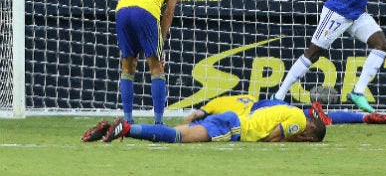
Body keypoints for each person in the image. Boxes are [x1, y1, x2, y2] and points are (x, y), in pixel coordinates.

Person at [115, 0, 183, 125]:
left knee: (128, 65)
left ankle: (128, 121)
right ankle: (159, 123)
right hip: (145, 11)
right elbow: (169, 11)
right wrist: (162, 40)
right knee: (156, 65)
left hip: (122, 10)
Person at [82, 103, 326, 143]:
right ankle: (124, 128)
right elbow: (272, 138)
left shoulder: (287, 109)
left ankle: (121, 128)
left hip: (231, 119)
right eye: (308, 137)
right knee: (178, 138)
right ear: (311, 128)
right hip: (232, 128)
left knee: (170, 133)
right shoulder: (297, 119)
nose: (303, 138)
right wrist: (291, 140)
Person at [182, 94, 386, 126]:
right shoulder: (239, 97)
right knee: (309, 119)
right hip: (267, 104)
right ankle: (364, 116)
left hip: (260, 113)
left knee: (285, 124)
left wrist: (184, 127)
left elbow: (195, 115)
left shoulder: (212, 105)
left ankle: (311, 114)